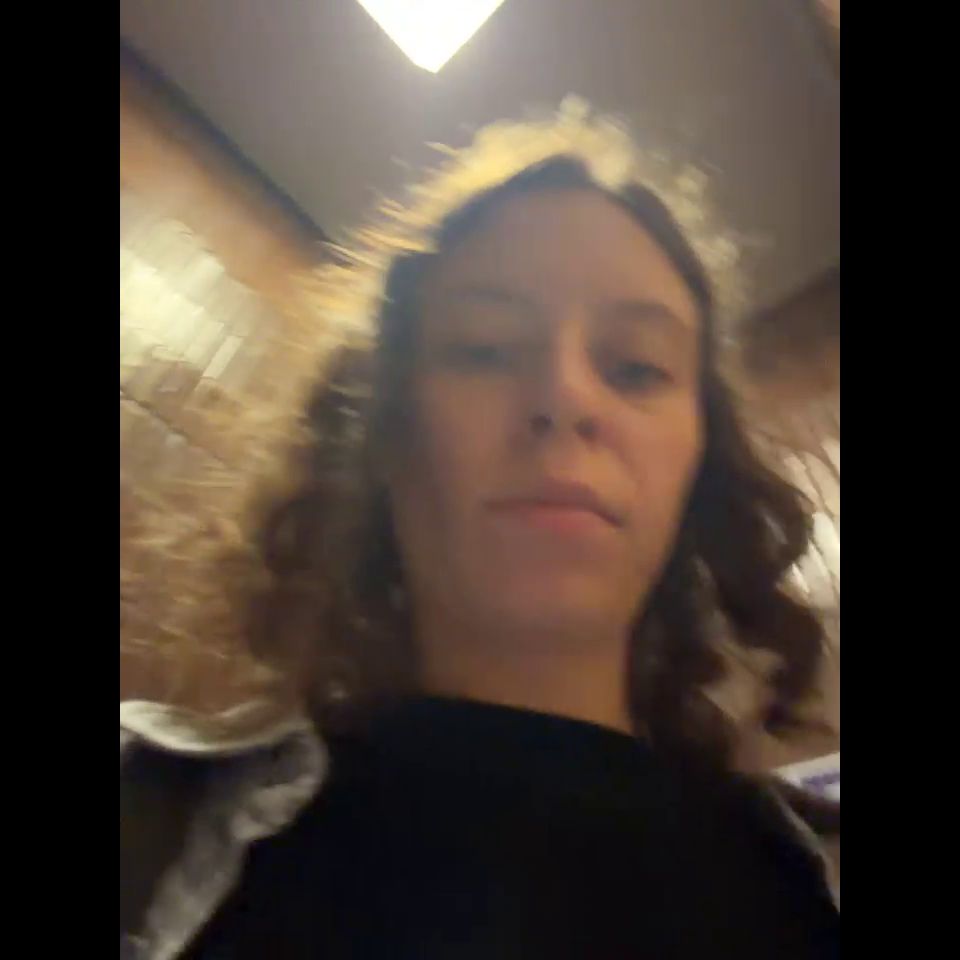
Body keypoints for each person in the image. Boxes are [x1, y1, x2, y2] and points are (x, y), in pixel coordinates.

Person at [120, 105, 840, 959]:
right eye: (485, 348)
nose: (566, 397)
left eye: (637, 368)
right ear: (384, 440)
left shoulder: (808, 888)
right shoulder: (143, 813)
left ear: (697, 469)